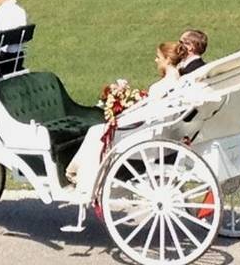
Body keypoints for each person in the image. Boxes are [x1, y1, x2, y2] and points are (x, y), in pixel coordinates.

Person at [65, 40, 188, 193]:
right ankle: (76, 173)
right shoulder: (181, 82)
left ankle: (81, 178)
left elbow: (144, 114)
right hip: (164, 132)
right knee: (97, 131)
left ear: (168, 60)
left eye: (158, 57)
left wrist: (122, 110)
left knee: (96, 132)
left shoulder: (161, 87)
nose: (156, 60)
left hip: (147, 135)